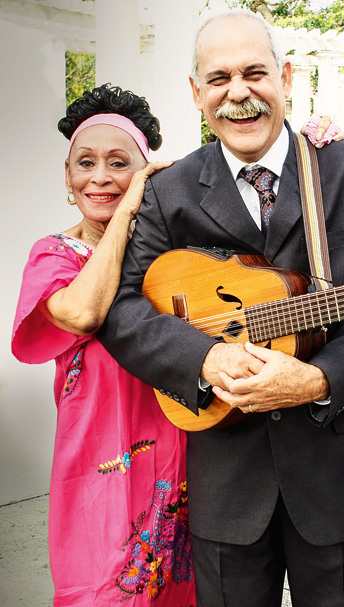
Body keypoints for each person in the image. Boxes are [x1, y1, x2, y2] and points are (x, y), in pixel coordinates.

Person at [96, 9, 344, 607]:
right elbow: (125, 309)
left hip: (337, 464)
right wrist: (204, 360)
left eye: (254, 73)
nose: (237, 93)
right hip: (226, 475)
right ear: (196, 94)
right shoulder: (169, 190)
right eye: (218, 79)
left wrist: (317, 378)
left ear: (286, 79)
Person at [11, 84, 195, 605]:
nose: (100, 177)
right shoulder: (54, 254)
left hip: (177, 449)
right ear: (67, 178)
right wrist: (129, 207)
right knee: (99, 590)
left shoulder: (170, 253)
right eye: (84, 163)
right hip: (96, 460)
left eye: (119, 164)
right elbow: (84, 311)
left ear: (145, 167)